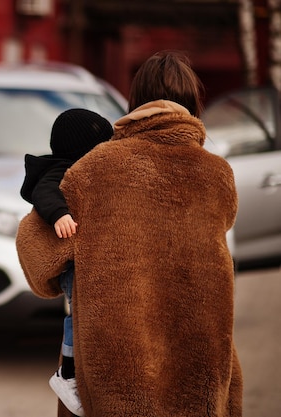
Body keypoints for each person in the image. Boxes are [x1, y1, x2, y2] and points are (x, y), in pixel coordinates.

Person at [16, 50, 243, 417]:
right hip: (201, 374)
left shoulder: (95, 170)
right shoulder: (219, 176)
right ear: (192, 106)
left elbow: (38, 259)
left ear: (135, 102)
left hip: (115, 385)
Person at [20, 108, 113, 416]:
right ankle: (69, 374)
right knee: (78, 315)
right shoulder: (62, 170)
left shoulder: (93, 171)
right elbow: (43, 193)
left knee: (88, 317)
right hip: (73, 266)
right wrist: (59, 214)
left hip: (90, 262)